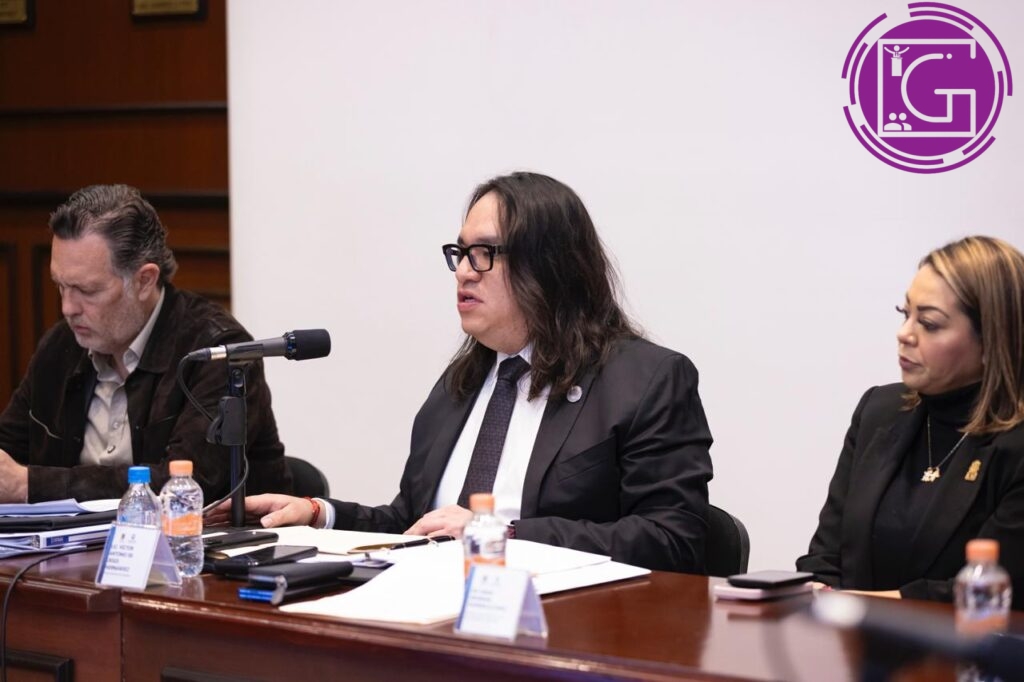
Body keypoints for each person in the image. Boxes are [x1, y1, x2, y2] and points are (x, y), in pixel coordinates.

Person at [213, 172, 714, 573]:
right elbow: (415, 521)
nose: (464, 271)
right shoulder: (464, 383)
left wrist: (499, 534)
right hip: (441, 618)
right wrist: (319, 514)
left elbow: (674, 538)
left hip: (570, 630)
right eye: (460, 253)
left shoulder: (644, 381)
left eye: (485, 254)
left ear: (551, 266)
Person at [0, 184, 292, 502]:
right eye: (61, 286)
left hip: (206, 534)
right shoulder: (61, 346)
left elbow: (186, 485)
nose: (68, 308)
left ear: (144, 281)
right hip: (75, 536)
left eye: (87, 290)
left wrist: (30, 485)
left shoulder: (217, 351)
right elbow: (9, 447)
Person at [797, 236, 1024, 607]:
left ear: (991, 341)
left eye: (929, 324)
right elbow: (825, 558)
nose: (904, 334)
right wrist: (823, 600)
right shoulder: (879, 410)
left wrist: (849, 607)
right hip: (847, 636)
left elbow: (987, 593)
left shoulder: (1016, 445)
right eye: (906, 314)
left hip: (966, 642)